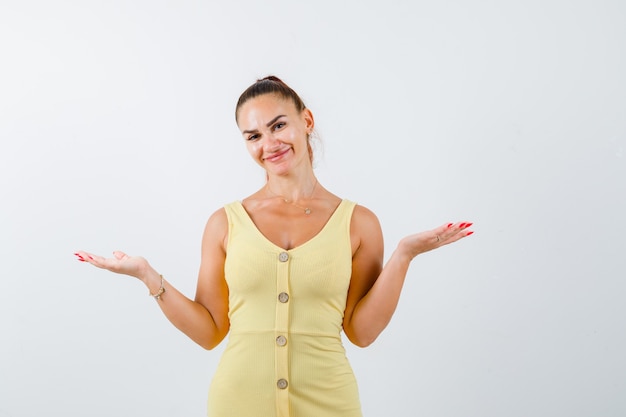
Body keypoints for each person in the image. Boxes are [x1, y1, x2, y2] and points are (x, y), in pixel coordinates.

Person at [75, 75, 473, 417]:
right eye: (253, 135)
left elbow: (362, 332)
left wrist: (404, 255)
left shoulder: (359, 223)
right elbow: (210, 332)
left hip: (330, 404)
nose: (269, 144)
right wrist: (148, 276)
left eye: (278, 125)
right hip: (238, 403)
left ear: (306, 121)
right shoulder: (224, 223)